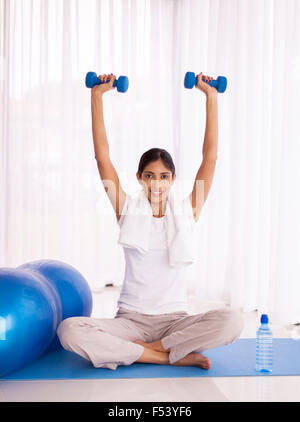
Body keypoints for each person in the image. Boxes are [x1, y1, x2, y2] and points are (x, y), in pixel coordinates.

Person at [57, 73, 244, 370]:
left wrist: (211, 98)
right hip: (132, 322)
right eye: (149, 175)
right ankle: (168, 357)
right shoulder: (127, 209)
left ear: (172, 180)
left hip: (176, 322)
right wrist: (96, 96)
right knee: (69, 330)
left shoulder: (188, 211)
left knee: (234, 320)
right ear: (139, 178)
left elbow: (210, 158)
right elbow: (102, 158)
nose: (157, 184)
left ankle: (147, 351)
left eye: (164, 177)